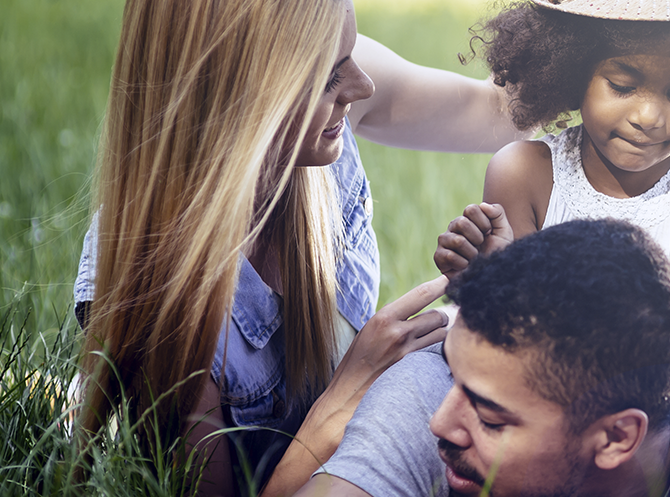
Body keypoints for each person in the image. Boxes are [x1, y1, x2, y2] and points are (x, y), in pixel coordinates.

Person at [73, 0, 523, 494]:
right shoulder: (164, 308)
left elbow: (501, 114)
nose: (362, 86)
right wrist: (345, 398)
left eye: (350, 55)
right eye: (327, 79)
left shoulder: (328, 96)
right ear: (235, 102)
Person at [298, 219, 670, 496]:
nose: (442, 422)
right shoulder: (430, 396)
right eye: (452, 379)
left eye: (491, 418)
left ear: (615, 438)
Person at [432, 0, 670, 361]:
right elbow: (518, 343)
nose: (648, 116)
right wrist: (481, 284)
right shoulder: (525, 173)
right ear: (573, 71)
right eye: (621, 86)